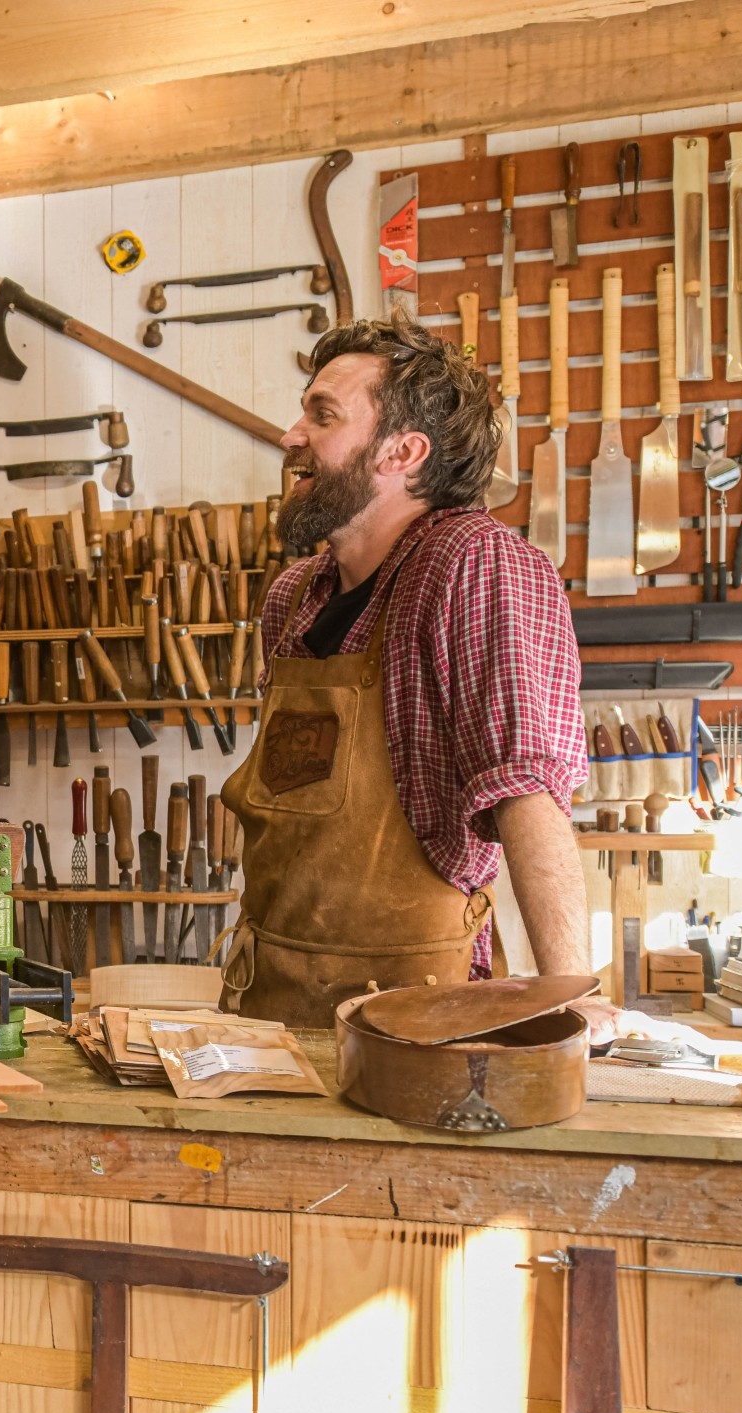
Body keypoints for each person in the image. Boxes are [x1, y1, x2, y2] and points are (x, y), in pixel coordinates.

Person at [222, 313, 602, 1030]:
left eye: (321, 414)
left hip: (411, 1022)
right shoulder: (295, 596)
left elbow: (527, 788)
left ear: (403, 451)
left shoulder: (471, 565)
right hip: (267, 1007)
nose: (289, 435)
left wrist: (574, 1006)